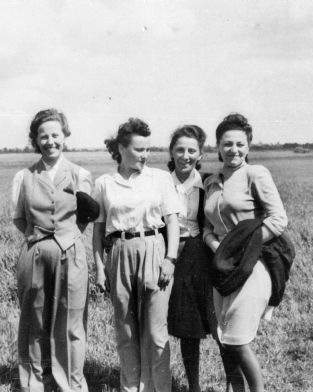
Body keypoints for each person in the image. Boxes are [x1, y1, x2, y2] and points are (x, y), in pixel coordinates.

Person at [92, 118, 181, 392]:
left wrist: (170, 259)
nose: (145, 155)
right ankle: (131, 388)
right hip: (119, 252)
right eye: (139, 149)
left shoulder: (160, 179)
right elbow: (97, 231)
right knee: (126, 331)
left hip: (154, 249)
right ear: (121, 148)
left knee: (155, 332)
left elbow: (173, 222)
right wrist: (98, 267)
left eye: (148, 149)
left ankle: (159, 388)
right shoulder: (105, 183)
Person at [203, 113, 288, 392]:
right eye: (227, 144)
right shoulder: (211, 182)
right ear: (218, 146)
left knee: (238, 341)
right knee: (225, 340)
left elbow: (278, 220)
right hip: (222, 267)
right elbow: (207, 228)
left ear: (248, 147)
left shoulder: (256, 174)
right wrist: (218, 248)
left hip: (252, 265)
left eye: (240, 144)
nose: (234, 150)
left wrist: (243, 249)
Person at [11, 108, 93, 392]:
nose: (50, 141)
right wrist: (40, 240)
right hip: (34, 254)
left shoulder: (80, 174)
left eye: (55, 135)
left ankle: (71, 384)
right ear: (36, 139)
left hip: (71, 253)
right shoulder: (24, 176)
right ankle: (33, 383)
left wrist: (67, 238)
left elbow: (85, 215)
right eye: (43, 136)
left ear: (65, 136)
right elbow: (19, 217)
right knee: (33, 321)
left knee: (70, 323)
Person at [165, 125, 218, 392]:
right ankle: (181, 384)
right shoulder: (160, 182)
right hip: (167, 254)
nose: (185, 156)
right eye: (180, 150)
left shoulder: (208, 183)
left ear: (200, 154)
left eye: (191, 150)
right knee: (174, 324)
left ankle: (218, 385)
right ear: (171, 152)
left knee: (204, 323)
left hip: (199, 255)